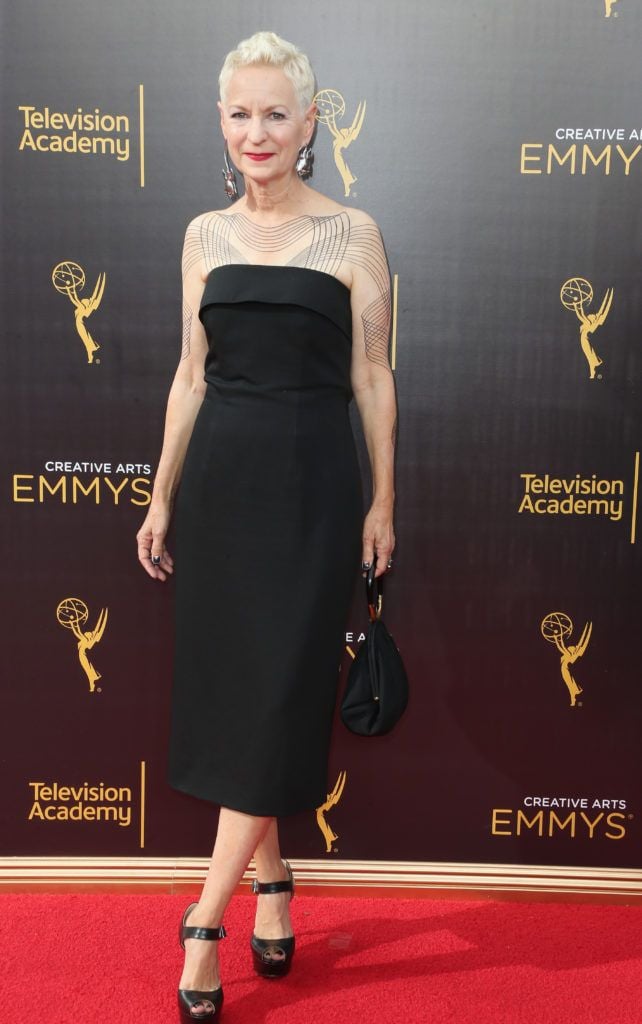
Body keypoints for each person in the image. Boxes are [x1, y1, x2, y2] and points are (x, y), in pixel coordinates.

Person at [136, 30, 397, 1022]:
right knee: (242, 694)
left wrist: (384, 501)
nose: (258, 131)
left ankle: (205, 919)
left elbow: (373, 377)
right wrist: (161, 493)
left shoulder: (353, 234)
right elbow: (191, 373)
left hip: (312, 490)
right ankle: (273, 881)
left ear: (310, 123)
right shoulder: (203, 234)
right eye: (239, 113)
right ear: (220, 122)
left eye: (276, 113)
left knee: (282, 689)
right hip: (220, 489)